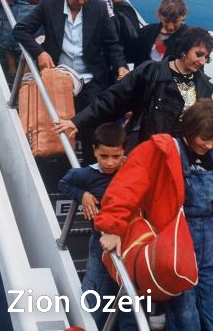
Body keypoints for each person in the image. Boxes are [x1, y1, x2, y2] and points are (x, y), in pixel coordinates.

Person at [97, 99, 213, 331]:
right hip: (176, 242)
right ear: (190, 129)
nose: (208, 145)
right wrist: (113, 227)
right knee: (185, 316)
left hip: (211, 245)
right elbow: (126, 187)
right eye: (203, 138)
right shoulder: (159, 150)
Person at [13, 0, 129, 163]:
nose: (82, 1)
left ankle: (90, 173)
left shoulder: (98, 8)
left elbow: (112, 44)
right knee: (58, 129)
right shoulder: (49, 4)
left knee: (91, 128)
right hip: (60, 79)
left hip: (90, 79)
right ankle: (64, 173)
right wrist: (39, 52)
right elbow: (21, 30)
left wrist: (121, 66)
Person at [54, 27, 213, 150]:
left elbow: (207, 124)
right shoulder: (152, 72)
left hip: (179, 158)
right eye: (199, 54)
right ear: (184, 50)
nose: (202, 61)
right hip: (147, 151)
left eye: (206, 57)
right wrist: (77, 121)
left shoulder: (203, 86)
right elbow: (113, 98)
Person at [58, 123, 136, 330]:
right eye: (104, 157)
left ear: (123, 152)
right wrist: (82, 195)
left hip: (130, 243)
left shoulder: (133, 171)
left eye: (116, 156)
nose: (110, 163)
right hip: (100, 245)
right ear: (94, 151)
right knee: (95, 293)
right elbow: (64, 183)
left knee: (129, 300)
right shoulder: (86, 174)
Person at [133, 0, 189, 67]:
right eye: (166, 21)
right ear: (159, 16)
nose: (170, 27)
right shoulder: (147, 31)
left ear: (183, 17)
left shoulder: (190, 38)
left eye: (175, 21)